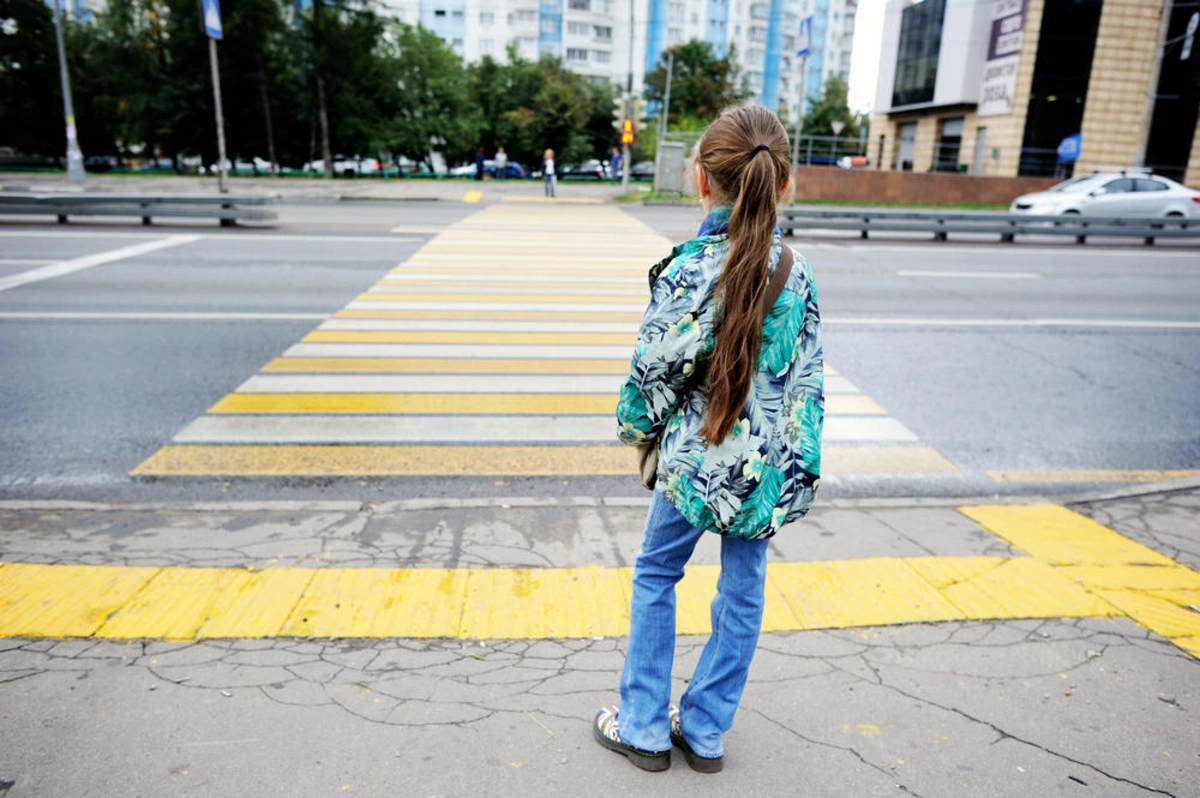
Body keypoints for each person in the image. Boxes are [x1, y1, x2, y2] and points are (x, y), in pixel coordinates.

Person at [593, 105, 824, 774]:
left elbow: (652, 376)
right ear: (784, 184)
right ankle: (705, 728)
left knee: (657, 571)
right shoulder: (798, 273)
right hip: (761, 472)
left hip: (695, 465)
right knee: (744, 586)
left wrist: (636, 431)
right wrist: (791, 474)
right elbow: (804, 390)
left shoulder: (692, 269)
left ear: (702, 179)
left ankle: (641, 725)